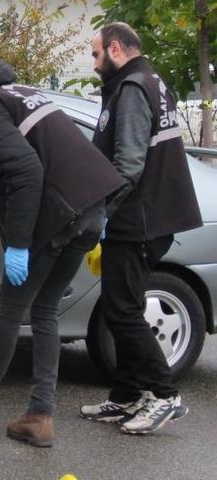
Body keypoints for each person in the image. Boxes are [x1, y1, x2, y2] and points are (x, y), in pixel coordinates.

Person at [0, 59, 125, 448]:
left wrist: (18, 243)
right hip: (87, 211)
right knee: (45, 309)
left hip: (55, 216)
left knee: (9, 311)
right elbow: (63, 151)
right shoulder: (16, 94)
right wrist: (97, 213)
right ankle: (39, 416)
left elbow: (26, 170)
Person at [79, 22, 202, 435]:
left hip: (138, 219)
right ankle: (127, 396)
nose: (95, 64)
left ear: (115, 48)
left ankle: (164, 395)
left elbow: (128, 164)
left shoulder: (132, 88)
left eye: (96, 55)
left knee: (124, 309)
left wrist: (102, 213)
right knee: (121, 305)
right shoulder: (151, 81)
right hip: (148, 216)